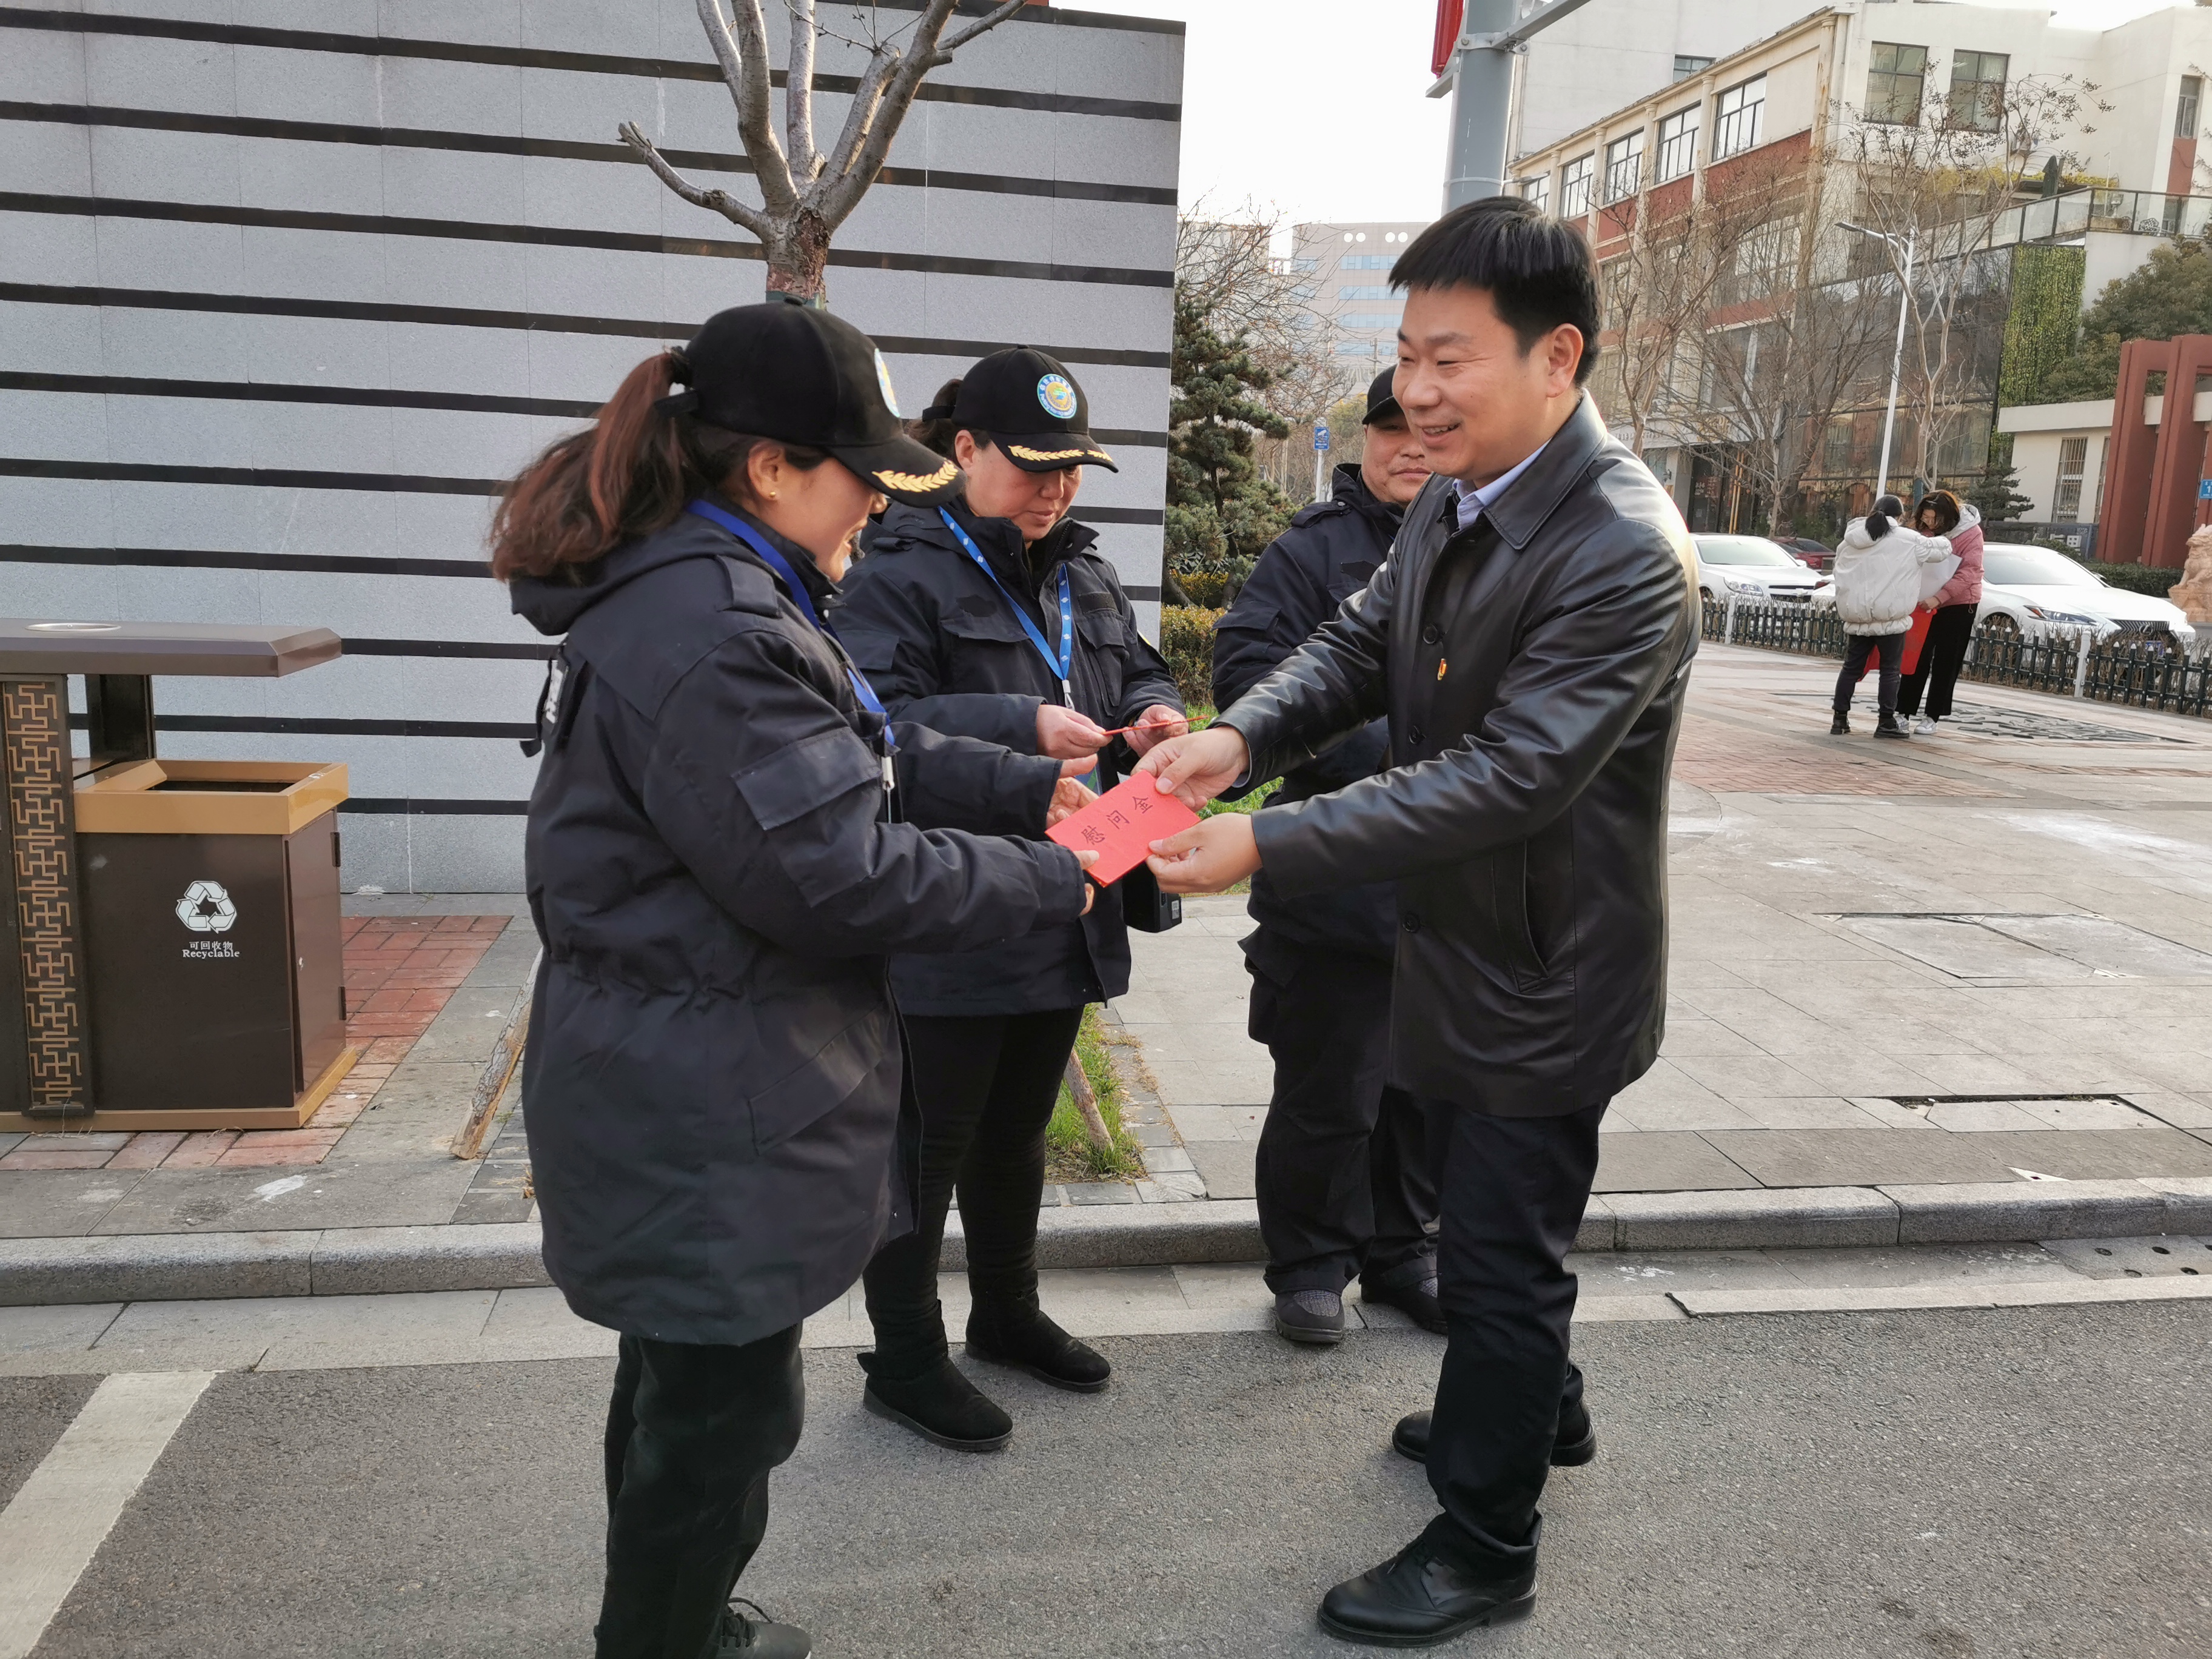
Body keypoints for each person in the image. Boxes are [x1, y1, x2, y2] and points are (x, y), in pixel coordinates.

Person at [1133, 196, 1699, 1646]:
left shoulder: (1620, 547)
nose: (1419, 391)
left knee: (1499, 1258)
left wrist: (1263, 840)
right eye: (1407, 356)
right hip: (1447, 943)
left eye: (1452, 358)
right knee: (1488, 1230)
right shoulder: (1461, 492)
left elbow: (1510, 775)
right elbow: (1352, 643)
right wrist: (1239, 738)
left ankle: (1486, 1540)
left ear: (1558, 356)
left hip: (1544, 974)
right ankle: (1537, 1408)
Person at [498, 301, 1102, 1659]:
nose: (877, 506)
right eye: (861, 476)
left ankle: (674, 1626)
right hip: (707, 1093)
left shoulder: (714, 586)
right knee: (718, 1426)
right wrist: (1057, 875)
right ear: (770, 467)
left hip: (685, 1063)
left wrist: (1024, 790)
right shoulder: (715, 626)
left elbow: (846, 754)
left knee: (680, 1399)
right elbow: (842, 874)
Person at [833, 347, 1188, 1453]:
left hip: (1069, 891)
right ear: (964, 450)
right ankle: (905, 1358)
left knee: (1017, 1129)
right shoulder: (897, 568)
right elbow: (871, 730)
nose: (1056, 489)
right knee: (926, 1146)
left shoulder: (1081, 567)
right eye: (1034, 467)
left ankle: (1006, 1312)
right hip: (949, 899)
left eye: (1071, 468)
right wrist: (1018, 729)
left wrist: (1160, 712)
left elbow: (1135, 668)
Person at [1210, 366, 1441, 1346]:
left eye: (1427, 428)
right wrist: (1388, 751)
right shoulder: (1312, 552)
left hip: (1446, 883)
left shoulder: (1493, 547)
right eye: (1390, 430)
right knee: (1329, 1091)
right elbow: (1246, 676)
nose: (1410, 447)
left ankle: (1404, 1250)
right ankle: (1310, 1263)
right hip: (1334, 876)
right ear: (1366, 442)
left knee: (1423, 1089)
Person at [1828, 494, 1953, 739]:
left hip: (1857, 618)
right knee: (1890, 671)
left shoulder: (1849, 541)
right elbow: (1943, 550)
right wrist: (1935, 529)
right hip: (1890, 619)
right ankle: (1886, 721)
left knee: (1851, 668)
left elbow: (1838, 571)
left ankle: (1839, 719)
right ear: (1899, 517)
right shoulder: (1909, 540)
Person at [1897, 489, 1983, 733]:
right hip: (1924, 602)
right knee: (1916, 656)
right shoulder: (1921, 531)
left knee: (1947, 660)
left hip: (1959, 603)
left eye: (1933, 519)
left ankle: (1932, 716)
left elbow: (1970, 571)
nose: (1928, 523)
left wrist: (1940, 597)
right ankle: (1903, 711)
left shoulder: (1970, 532)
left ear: (1948, 516)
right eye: (1925, 518)